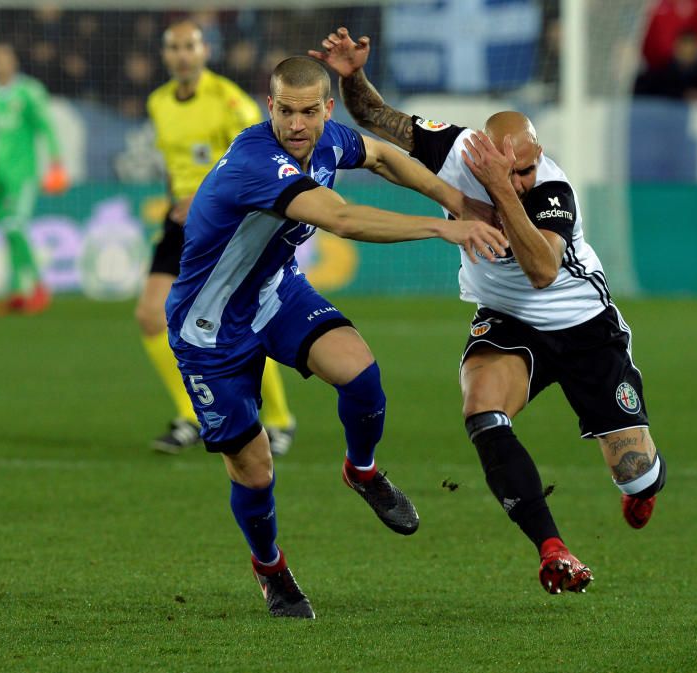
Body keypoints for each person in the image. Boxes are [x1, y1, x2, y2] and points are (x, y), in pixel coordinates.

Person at [311, 28, 667, 595]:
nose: (525, 177)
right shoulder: (454, 149)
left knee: (634, 472)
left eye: (529, 166)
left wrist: (504, 189)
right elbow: (375, 116)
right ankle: (553, 549)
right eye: (514, 170)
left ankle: (644, 488)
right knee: (482, 411)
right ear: (483, 150)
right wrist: (351, 75)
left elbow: (542, 271)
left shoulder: (552, 190)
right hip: (507, 318)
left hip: (583, 327)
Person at [166, 56, 507, 618]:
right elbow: (342, 220)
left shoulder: (328, 140)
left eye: (308, 111)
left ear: (326, 108)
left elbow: (381, 155)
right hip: (210, 327)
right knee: (254, 469)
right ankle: (271, 568)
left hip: (273, 292)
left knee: (361, 374)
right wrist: (447, 227)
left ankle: (362, 470)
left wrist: (456, 199)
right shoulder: (256, 159)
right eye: (285, 111)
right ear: (269, 106)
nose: (296, 124)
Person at [137, 20, 298, 455]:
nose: (182, 55)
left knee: (236, 323)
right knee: (151, 315)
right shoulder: (158, 103)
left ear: (204, 50)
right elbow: (173, 164)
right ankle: (191, 415)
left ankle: (280, 420)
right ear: (165, 54)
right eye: (174, 47)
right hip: (181, 222)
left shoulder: (229, 101)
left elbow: (259, 159)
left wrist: (207, 197)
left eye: (190, 46)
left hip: (227, 221)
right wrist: (176, 202)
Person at [0, 43, 68, 315]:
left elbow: (45, 127)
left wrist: (56, 162)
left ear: (13, 61)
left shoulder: (29, 92)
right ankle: (16, 291)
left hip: (23, 174)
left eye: (3, 58)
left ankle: (37, 286)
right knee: (6, 231)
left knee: (14, 226)